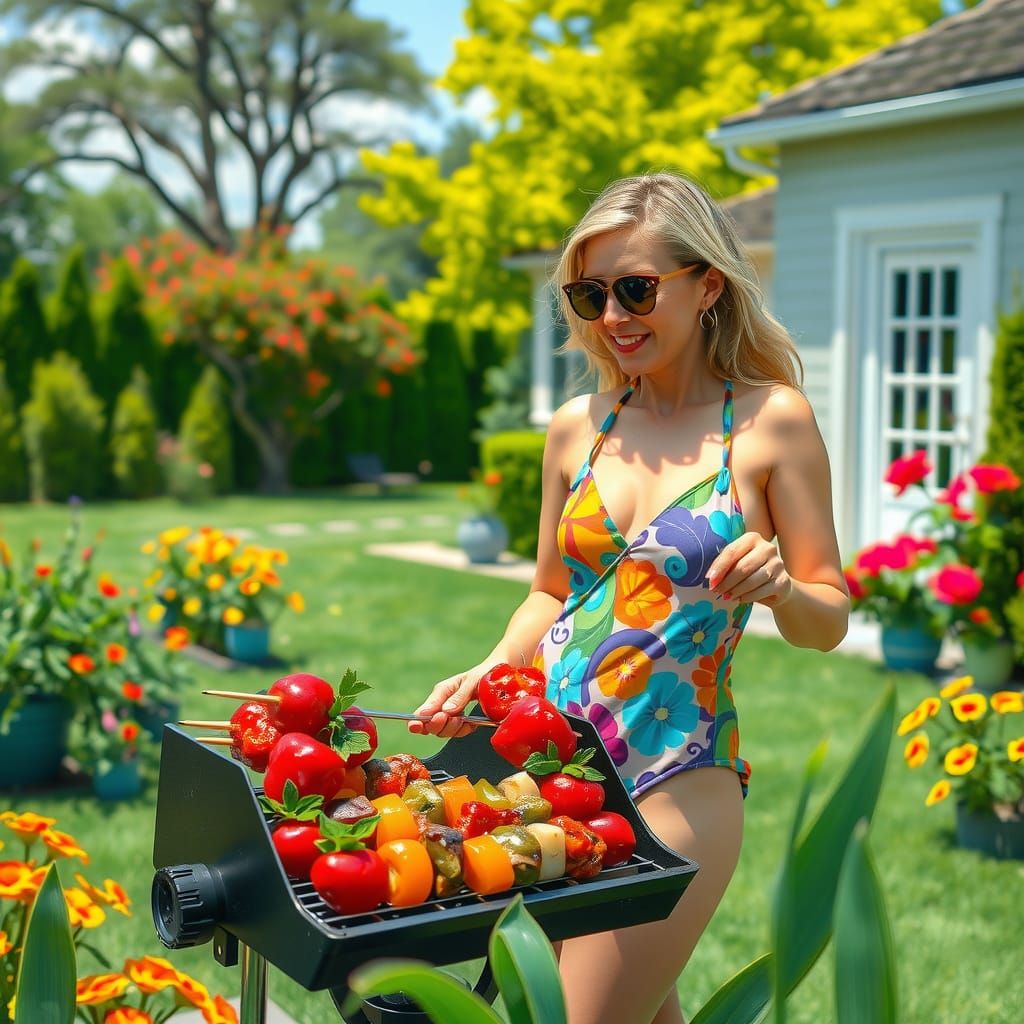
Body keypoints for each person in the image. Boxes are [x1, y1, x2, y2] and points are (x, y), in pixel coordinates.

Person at [410, 171, 850, 1024]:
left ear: (708, 285)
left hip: (675, 777)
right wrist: (491, 670)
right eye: (591, 293)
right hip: (551, 772)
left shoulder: (771, 423)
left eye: (637, 288)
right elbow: (548, 593)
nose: (613, 315)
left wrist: (784, 590)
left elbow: (828, 618)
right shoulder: (581, 423)